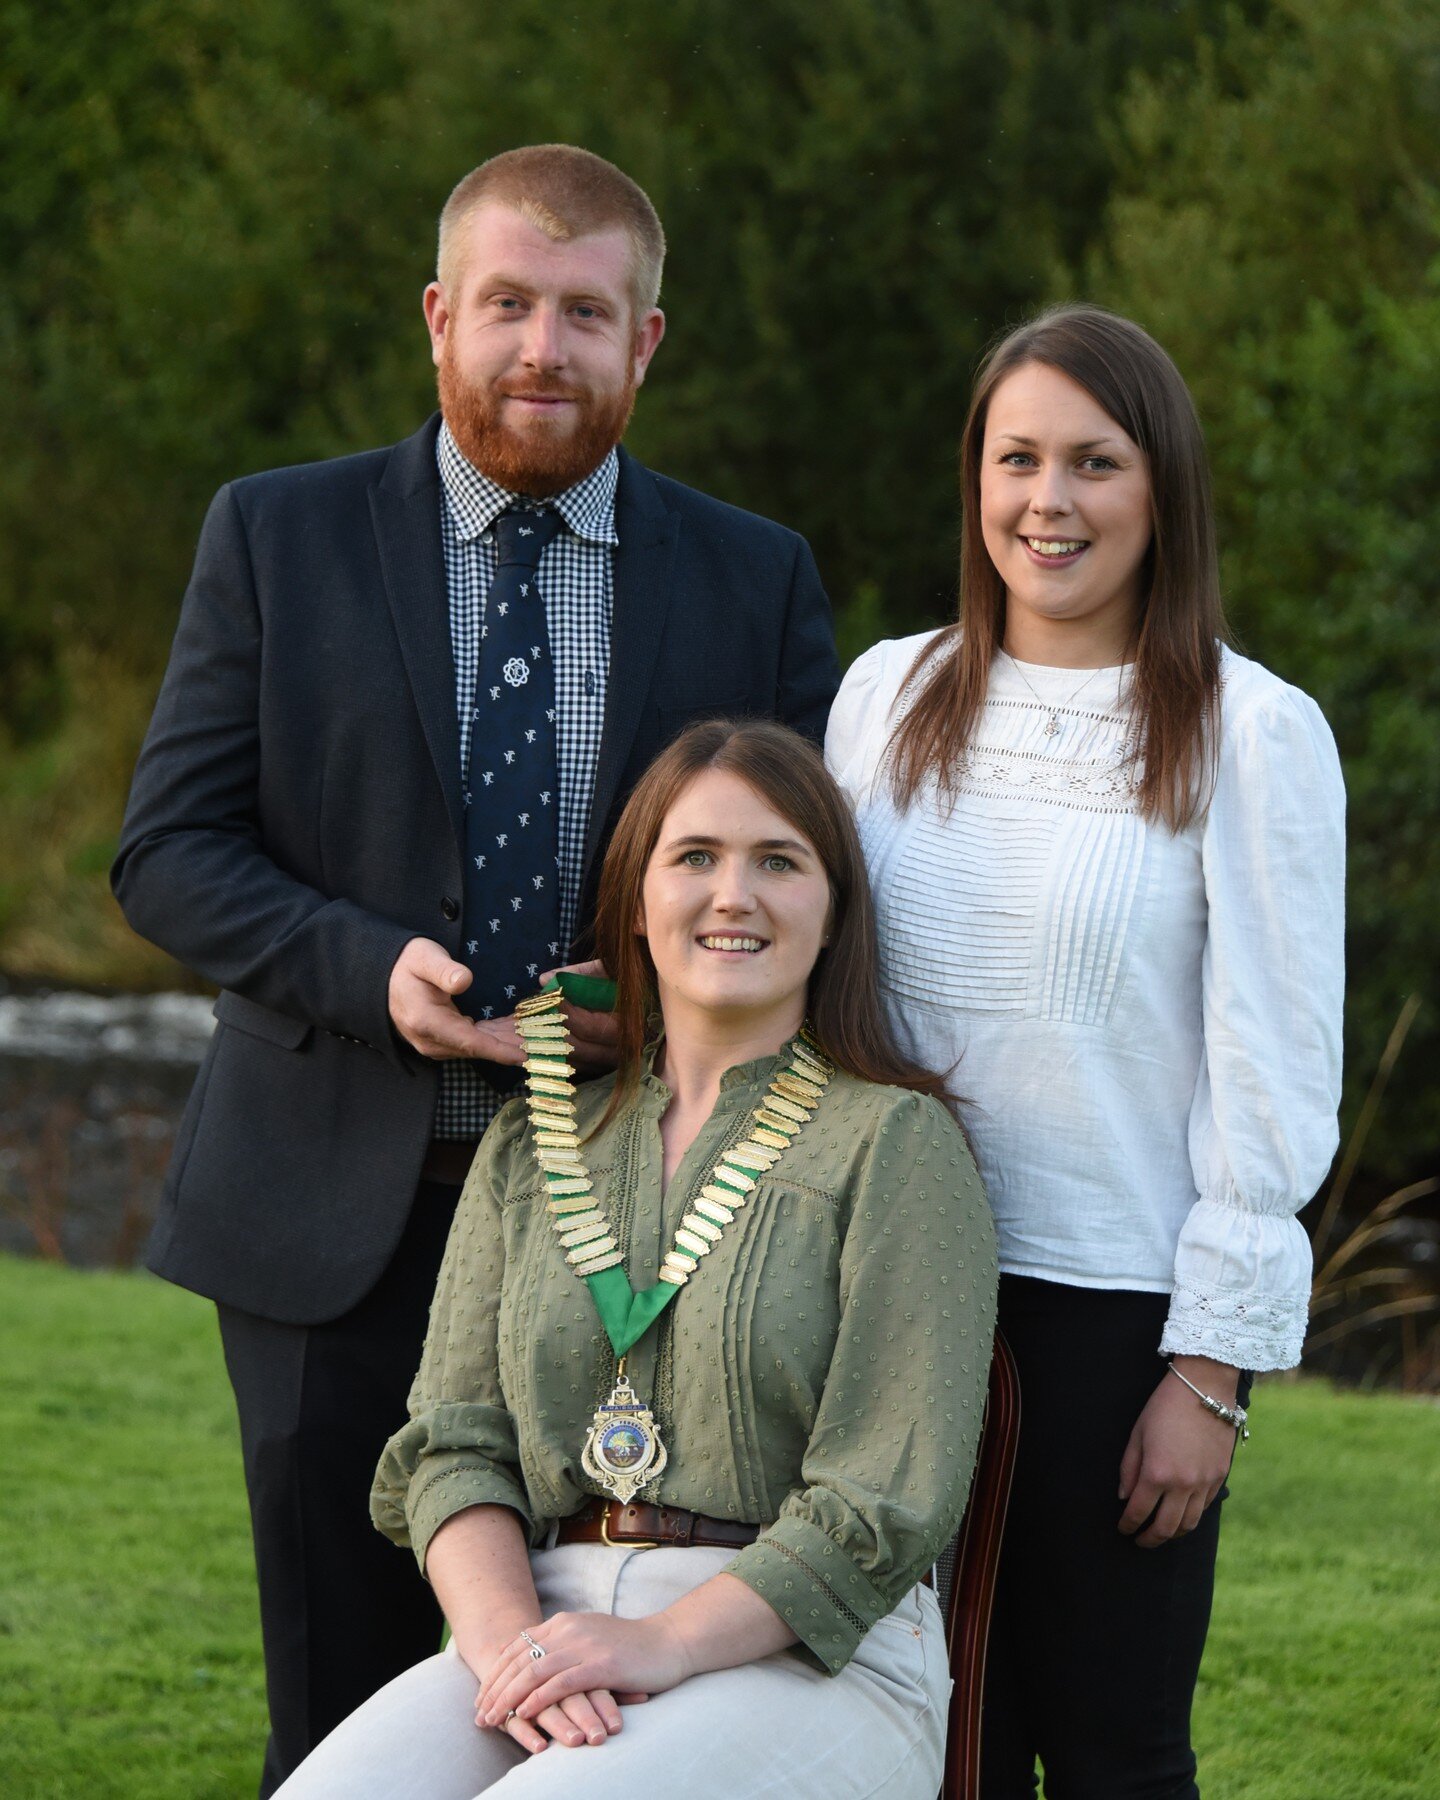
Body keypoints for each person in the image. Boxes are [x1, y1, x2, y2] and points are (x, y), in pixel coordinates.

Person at [111, 145, 838, 1793]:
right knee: (344, 1708)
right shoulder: (274, 536)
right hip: (324, 1228)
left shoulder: (756, 575)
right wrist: (370, 968)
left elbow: (806, 893)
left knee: (589, 1708)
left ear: (647, 341)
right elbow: (168, 850)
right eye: (508, 304)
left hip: (637, 1231)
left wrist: (656, 996)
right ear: (439, 316)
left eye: (587, 314)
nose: (542, 349)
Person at [271, 718, 997, 1799]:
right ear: (637, 899)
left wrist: (655, 1644)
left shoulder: (894, 1145)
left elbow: (882, 1501)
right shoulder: (538, 1140)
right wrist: (519, 1646)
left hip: (805, 1649)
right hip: (549, 1612)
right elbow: (452, 1446)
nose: (733, 896)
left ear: (835, 906)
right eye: (694, 857)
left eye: (779, 862)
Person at [825, 304, 1344, 1797]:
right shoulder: (886, 694)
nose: (1049, 503)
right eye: (1017, 460)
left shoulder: (1251, 733)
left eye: (1095, 462)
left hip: (1116, 1324)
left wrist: (1213, 1370)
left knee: (1113, 1747)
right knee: (921, 1738)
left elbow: (1272, 1059)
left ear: (1162, 486)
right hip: (886, 1295)